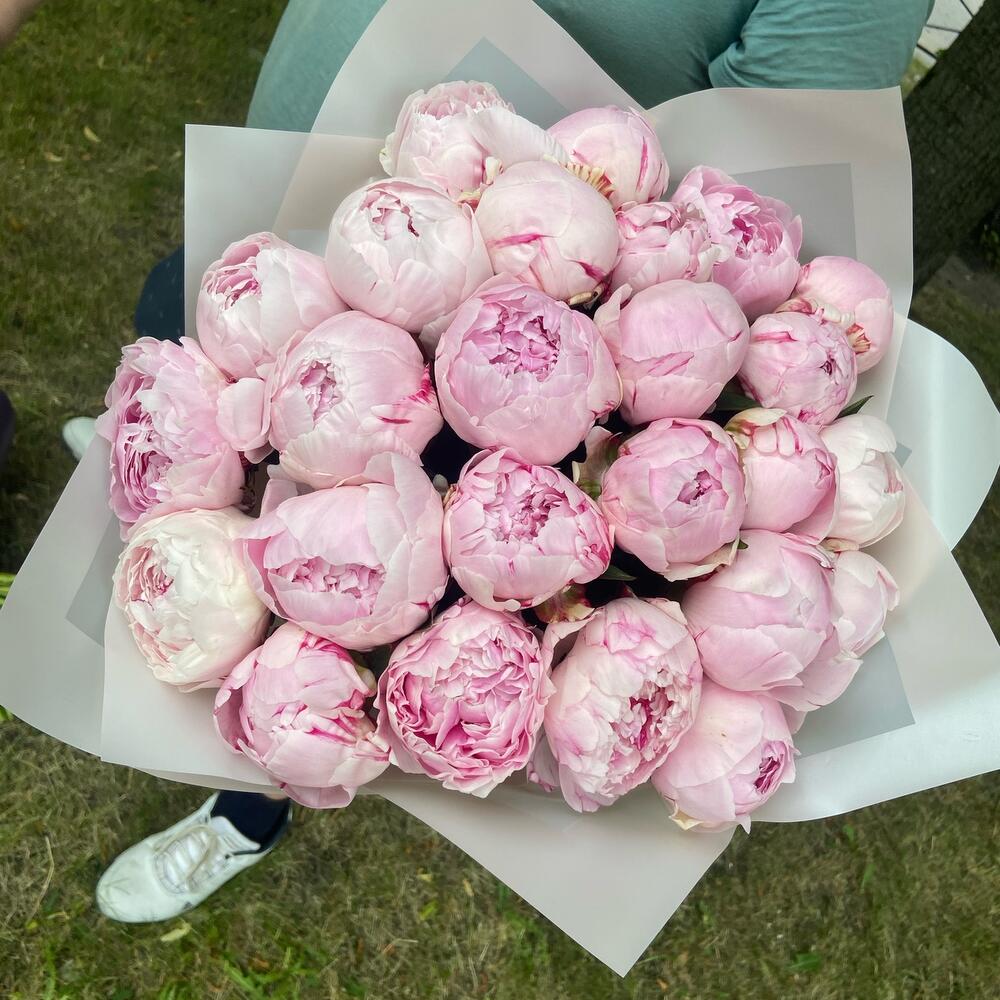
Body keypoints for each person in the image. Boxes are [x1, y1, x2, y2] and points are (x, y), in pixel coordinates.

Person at [9, 0, 933, 921]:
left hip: (505, 332)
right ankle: (189, 491)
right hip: (288, 228)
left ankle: (249, 807)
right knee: (179, 362)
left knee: (317, 666)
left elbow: (776, 139)